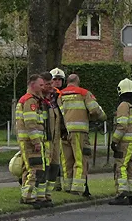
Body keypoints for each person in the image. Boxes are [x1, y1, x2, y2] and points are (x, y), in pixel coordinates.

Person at [58, 73, 106, 195]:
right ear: (78, 81)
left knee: (66, 160)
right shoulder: (84, 93)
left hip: (63, 132)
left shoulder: (60, 95)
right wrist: (99, 117)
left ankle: (67, 186)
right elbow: (95, 110)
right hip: (79, 131)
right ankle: (78, 188)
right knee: (80, 160)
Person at [15, 73, 52, 208]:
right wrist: (36, 141)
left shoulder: (34, 100)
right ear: (32, 85)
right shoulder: (30, 101)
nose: (43, 87)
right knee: (34, 168)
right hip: (30, 141)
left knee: (31, 168)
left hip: (30, 140)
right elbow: (31, 123)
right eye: (40, 85)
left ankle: (30, 195)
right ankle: (29, 197)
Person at [109, 78, 132, 206]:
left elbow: (122, 125)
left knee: (121, 166)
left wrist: (114, 141)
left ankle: (122, 194)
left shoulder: (124, 105)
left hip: (125, 142)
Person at [44, 67, 67, 191]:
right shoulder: (51, 96)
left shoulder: (62, 95)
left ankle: (56, 184)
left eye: (60, 79)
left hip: (59, 132)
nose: (57, 82)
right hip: (49, 133)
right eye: (55, 79)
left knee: (58, 159)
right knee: (49, 159)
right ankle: (52, 185)